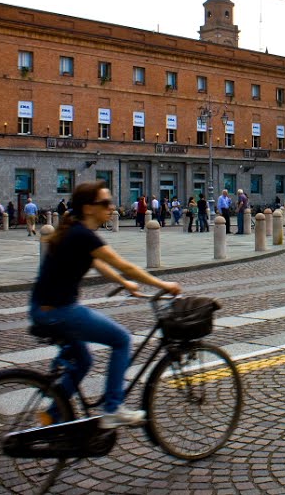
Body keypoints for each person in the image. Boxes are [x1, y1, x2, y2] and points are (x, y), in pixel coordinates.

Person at [29, 180, 181, 428]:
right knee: (121, 339)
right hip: (60, 311)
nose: (111, 208)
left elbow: (99, 264)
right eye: (105, 203)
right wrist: (164, 286)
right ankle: (112, 407)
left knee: (84, 362)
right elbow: (124, 265)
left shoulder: (73, 230)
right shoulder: (83, 235)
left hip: (43, 309)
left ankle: (53, 414)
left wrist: (124, 283)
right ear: (89, 208)